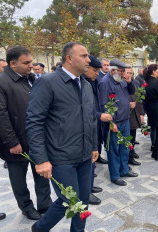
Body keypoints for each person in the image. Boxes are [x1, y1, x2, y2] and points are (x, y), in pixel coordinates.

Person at [26, 42, 98, 231]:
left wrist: (93, 146)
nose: (88, 60)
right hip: (61, 156)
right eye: (84, 56)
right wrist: (41, 159)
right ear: (69, 58)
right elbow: (34, 122)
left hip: (84, 154)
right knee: (69, 199)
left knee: (82, 200)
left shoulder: (86, 85)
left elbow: (91, 119)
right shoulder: (47, 82)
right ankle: (40, 228)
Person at [0, 47, 52, 221]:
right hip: (16, 142)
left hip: (36, 137)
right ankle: (26, 207)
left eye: (31, 62)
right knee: (18, 178)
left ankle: (45, 203)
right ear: (12, 64)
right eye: (26, 63)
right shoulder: (3, 82)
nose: (32, 65)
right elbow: (1, 115)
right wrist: (12, 142)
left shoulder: (32, 79)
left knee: (42, 172)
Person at [98, 59, 138, 186]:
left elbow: (131, 91)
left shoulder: (121, 81)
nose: (123, 73)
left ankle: (124, 170)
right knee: (113, 150)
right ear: (113, 70)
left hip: (125, 120)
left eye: (124, 71)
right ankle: (115, 175)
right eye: (121, 71)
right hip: (113, 123)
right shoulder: (105, 83)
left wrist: (129, 81)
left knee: (125, 147)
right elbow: (103, 105)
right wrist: (111, 123)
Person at [83, 55, 111, 205]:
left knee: (91, 161)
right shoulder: (81, 83)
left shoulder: (93, 81)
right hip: (84, 128)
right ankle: (85, 193)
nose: (97, 73)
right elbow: (81, 110)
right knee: (87, 162)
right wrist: (100, 115)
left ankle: (88, 185)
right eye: (95, 70)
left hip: (94, 125)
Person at [127, 67, 143, 166]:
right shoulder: (121, 84)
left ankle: (131, 154)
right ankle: (129, 157)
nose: (129, 75)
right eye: (127, 73)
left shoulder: (134, 84)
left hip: (134, 114)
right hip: (126, 116)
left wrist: (142, 113)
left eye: (131, 73)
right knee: (128, 139)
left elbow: (139, 99)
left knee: (132, 138)